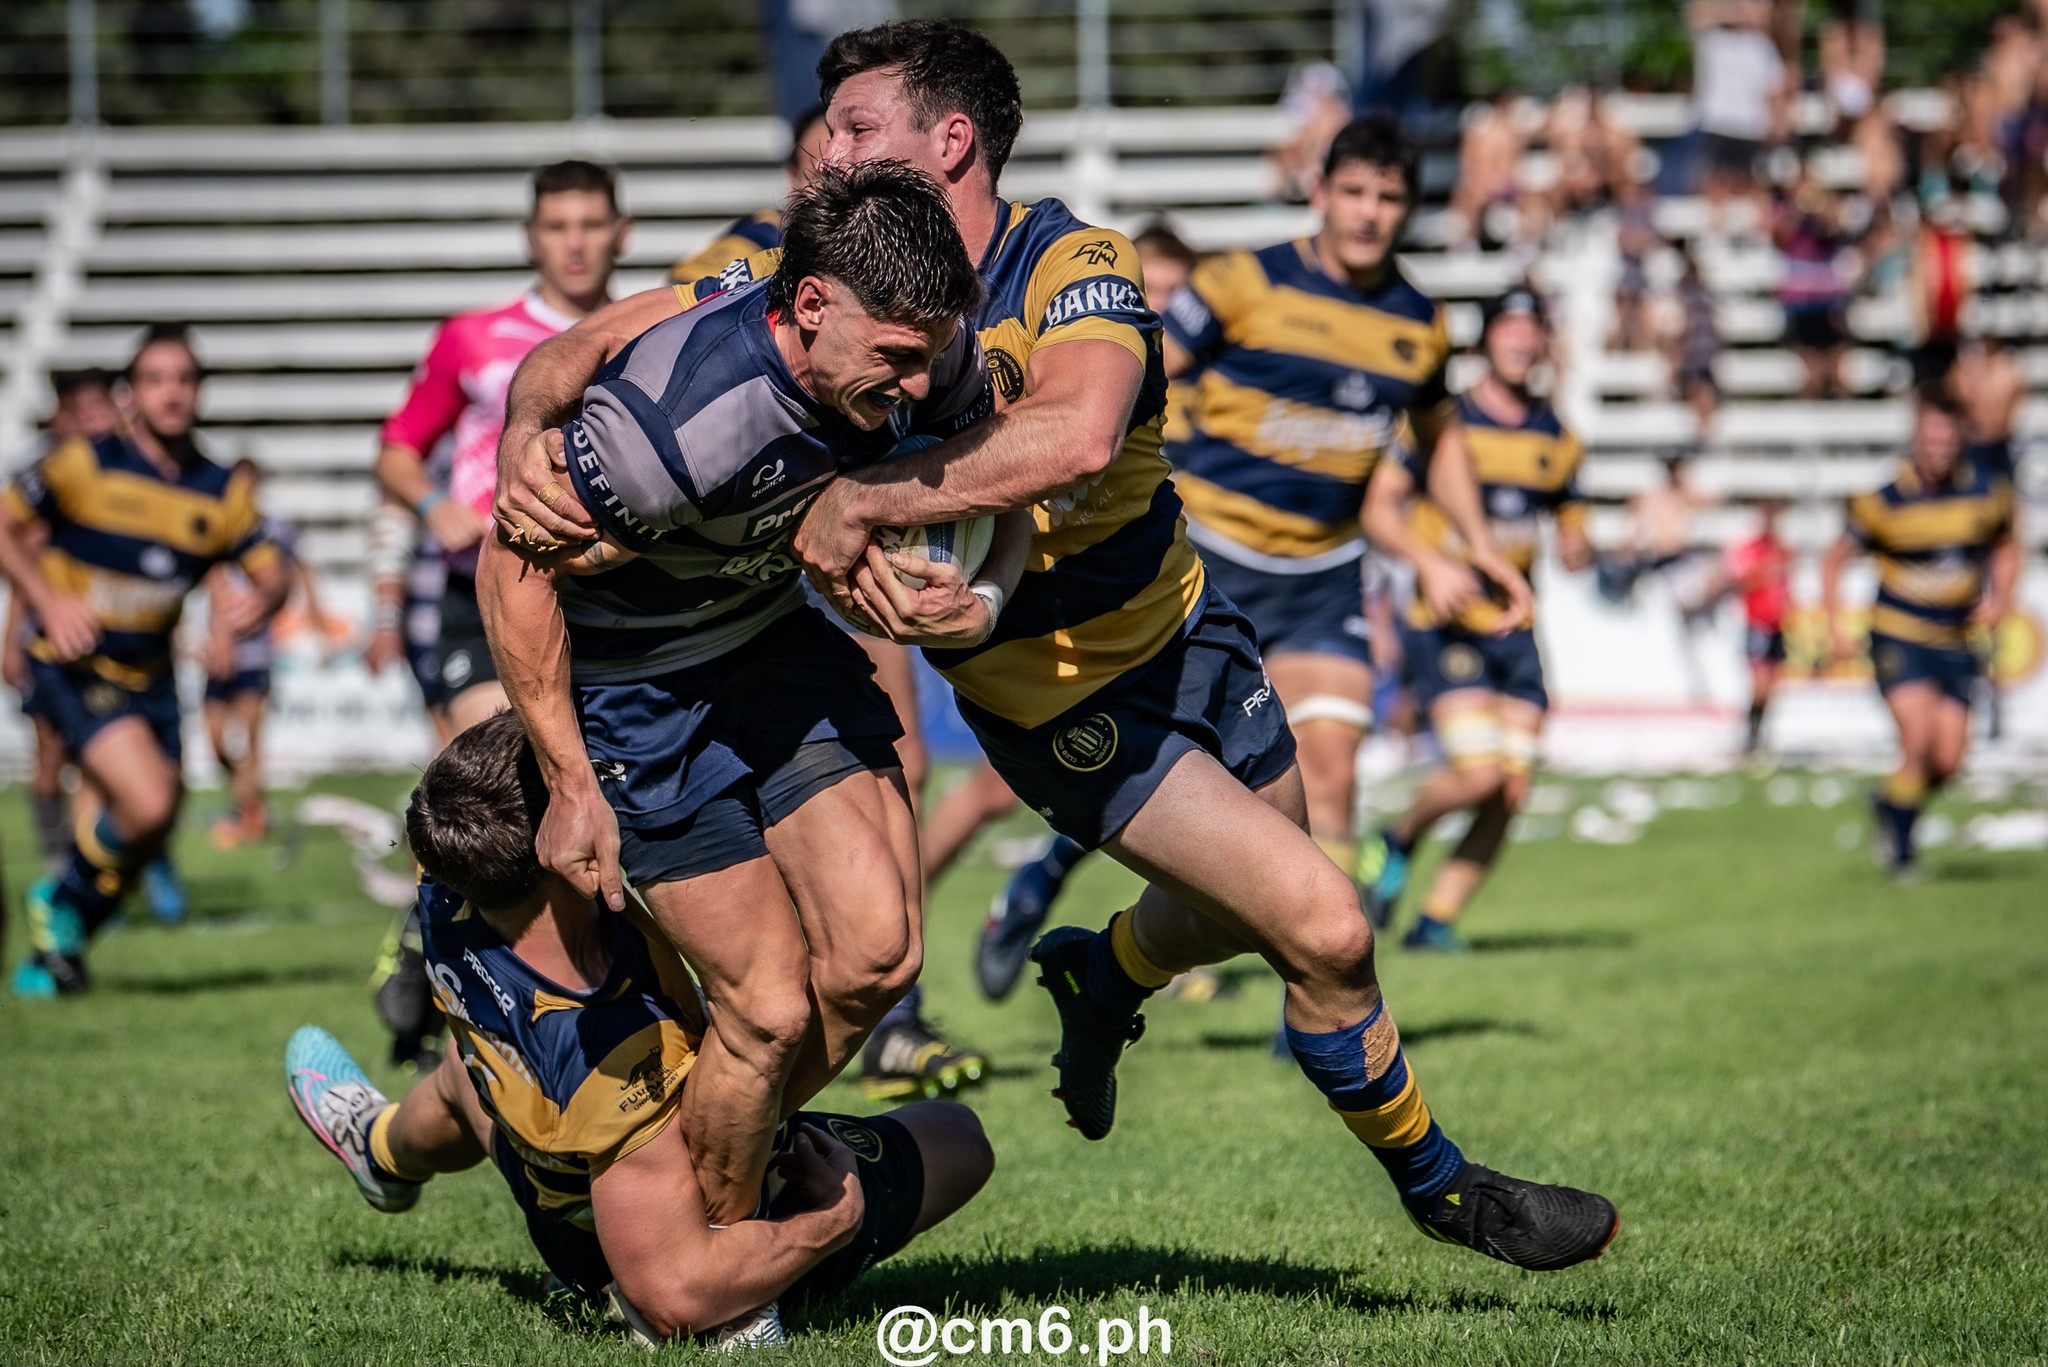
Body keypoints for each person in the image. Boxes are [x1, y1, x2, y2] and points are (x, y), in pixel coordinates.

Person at [494, 21, 1618, 1271]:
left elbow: (1079, 434)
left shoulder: (1066, 254)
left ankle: (1104, 971)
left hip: (1190, 621)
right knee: (1327, 924)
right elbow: (621, 339)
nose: (828, 152)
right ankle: (1441, 1187)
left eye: (858, 128)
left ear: (950, 140)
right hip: (1061, 703)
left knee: (1242, 910)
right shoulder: (796, 264)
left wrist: (866, 498)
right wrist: (529, 430)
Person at [483, 159, 1008, 1228]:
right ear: (810, 306)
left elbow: (994, 462)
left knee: (875, 957)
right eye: (894, 359)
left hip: (770, 645)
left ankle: (680, 1178)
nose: (915, 386)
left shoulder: (924, 346)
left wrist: (979, 589)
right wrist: (570, 785)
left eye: (928, 355)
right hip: (641, 695)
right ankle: (706, 1260)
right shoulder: (675, 429)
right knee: (765, 1011)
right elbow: (512, 567)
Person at [284, 712, 992, 1346]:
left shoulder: (446, 875)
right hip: (622, 1223)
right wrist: (827, 1223)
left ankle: (379, 1151)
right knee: (962, 1136)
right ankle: (698, 1302)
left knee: (463, 1084)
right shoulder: (619, 1053)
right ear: (561, 847)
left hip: (536, 1145)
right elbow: (675, 1293)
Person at [1157, 117, 1534, 928]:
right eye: (1354, 192)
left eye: (1389, 197)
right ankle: (1068, 900)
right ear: (1320, 191)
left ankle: (1321, 983)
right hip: (1210, 563)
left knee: (1328, 777)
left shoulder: (1420, 324)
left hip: (1325, 578)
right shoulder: (1239, 282)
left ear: (1409, 210)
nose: (1368, 212)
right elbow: (1135, 376)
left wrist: (1476, 548)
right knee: (1181, 775)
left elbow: (1443, 446)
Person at [367, 159, 631, 1071]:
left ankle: (428, 943)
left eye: (591, 224)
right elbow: (400, 448)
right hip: (470, 592)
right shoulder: (474, 338)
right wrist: (430, 504)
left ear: (619, 233)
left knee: (570, 792)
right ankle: (475, 992)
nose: (575, 241)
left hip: (584, 593)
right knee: (504, 782)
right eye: (558, 225)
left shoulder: (634, 335)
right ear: (533, 237)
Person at [0, 325, 286, 997]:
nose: (172, 393)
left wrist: (262, 604)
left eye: (184, 379)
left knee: (152, 826)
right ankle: (60, 896)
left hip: (152, 674)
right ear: (131, 394)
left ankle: (52, 954)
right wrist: (45, 598)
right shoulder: (83, 463)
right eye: (156, 379)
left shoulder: (220, 490)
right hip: (75, 664)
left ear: (199, 392)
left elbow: (270, 570)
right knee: (147, 800)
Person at [1357, 287, 1591, 950]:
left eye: (1530, 327)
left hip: (1514, 629)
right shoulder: (1442, 421)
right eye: (1508, 326)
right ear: (1486, 341)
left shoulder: (1558, 438)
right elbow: (1384, 506)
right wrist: (1430, 562)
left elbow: (1570, 524)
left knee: (1511, 788)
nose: (1520, 339)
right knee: (1480, 771)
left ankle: (1436, 920)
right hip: (1445, 621)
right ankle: (1396, 836)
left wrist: (1577, 543)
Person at [1821, 390, 2017, 882]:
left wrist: (2001, 597)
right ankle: (1902, 855)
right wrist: (1833, 624)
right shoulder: (1883, 501)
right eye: (1930, 437)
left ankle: (1891, 805)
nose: (1938, 446)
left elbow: (2008, 545)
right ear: (1916, 440)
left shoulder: (1985, 493)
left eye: (1947, 438)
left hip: (1955, 639)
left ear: (1959, 441)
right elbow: (1833, 559)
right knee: (1918, 737)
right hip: (1898, 634)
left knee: (1948, 761)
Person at [200, 459, 332, 849]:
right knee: (216, 741)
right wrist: (218, 634)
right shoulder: (218, 523)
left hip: (257, 649)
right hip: (220, 647)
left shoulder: (275, 529)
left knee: (251, 737)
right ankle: (248, 802)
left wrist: (314, 612)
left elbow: (298, 570)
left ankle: (249, 814)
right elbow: (214, 580)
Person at [667, 104, 828, 290]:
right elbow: (678, 299)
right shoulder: (761, 239)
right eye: (821, 176)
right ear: (792, 177)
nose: (839, 188)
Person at [1725, 497, 1792, 759]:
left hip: (1778, 625)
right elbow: (1739, 583)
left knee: (1773, 687)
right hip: (1758, 624)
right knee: (1759, 685)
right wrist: (1763, 573)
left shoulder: (1782, 550)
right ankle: (1750, 738)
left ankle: (1759, 738)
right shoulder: (1751, 549)